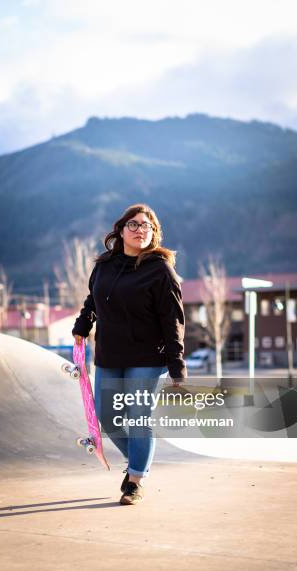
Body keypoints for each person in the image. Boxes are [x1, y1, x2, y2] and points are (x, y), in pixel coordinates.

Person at [72, 203, 187, 505]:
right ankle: (137, 459)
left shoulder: (161, 270)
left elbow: (173, 320)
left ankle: (135, 479)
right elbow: (92, 299)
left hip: (148, 357)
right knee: (107, 419)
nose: (140, 230)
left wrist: (177, 365)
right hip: (109, 354)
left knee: (138, 418)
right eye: (134, 225)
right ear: (121, 230)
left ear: (154, 233)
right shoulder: (105, 265)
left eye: (146, 226)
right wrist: (83, 324)